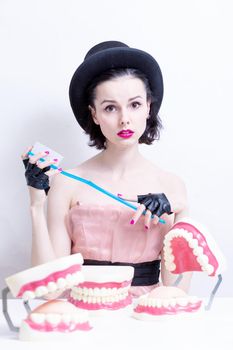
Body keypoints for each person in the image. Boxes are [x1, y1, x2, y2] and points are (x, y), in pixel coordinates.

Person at [21, 41, 192, 297]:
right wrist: (36, 205)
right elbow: (50, 292)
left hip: (145, 323)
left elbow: (177, 291)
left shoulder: (171, 186)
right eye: (110, 107)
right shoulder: (68, 183)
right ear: (94, 114)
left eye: (134, 104)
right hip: (83, 320)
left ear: (148, 107)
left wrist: (182, 213)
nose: (124, 118)